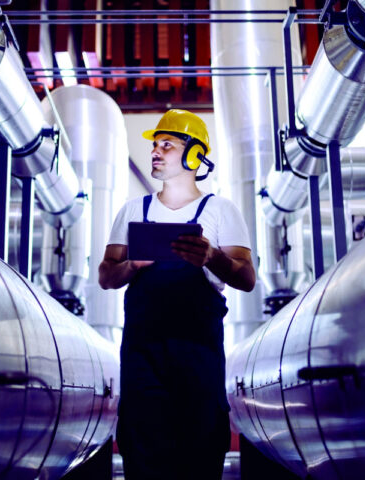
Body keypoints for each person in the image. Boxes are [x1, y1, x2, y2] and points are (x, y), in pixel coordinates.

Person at [98, 109, 256, 480]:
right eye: (155, 145)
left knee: (200, 444)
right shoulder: (134, 210)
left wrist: (211, 256)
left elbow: (246, 278)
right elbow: (106, 276)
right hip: (142, 354)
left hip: (198, 351)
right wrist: (133, 266)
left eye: (167, 144)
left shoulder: (220, 210)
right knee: (142, 443)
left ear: (194, 155)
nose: (156, 151)